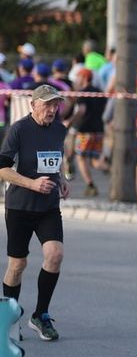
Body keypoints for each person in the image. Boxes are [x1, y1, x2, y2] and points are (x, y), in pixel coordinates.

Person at [0, 86, 70, 340]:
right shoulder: (19, 130)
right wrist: (32, 183)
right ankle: (7, 320)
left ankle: (40, 315)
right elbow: (3, 169)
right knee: (18, 264)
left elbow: (55, 159)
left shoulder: (60, 129)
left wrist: (61, 179)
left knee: (55, 254)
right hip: (20, 206)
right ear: (33, 104)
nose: (53, 110)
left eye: (56, 105)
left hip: (48, 206)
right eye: (48, 104)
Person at [67, 67, 108, 197]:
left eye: (78, 77)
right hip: (99, 130)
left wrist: (70, 121)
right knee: (95, 161)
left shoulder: (83, 93)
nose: (76, 81)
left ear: (84, 78)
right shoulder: (100, 93)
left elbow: (82, 110)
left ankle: (90, 185)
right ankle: (113, 170)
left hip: (85, 131)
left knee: (81, 158)